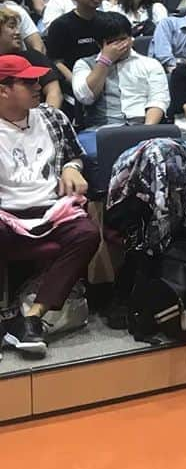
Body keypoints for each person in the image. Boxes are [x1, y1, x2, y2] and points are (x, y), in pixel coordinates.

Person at [0, 55, 100, 357]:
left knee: (86, 232)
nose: (39, 87)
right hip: (6, 213)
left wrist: (72, 166)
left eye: (38, 80)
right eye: (28, 82)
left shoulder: (52, 117)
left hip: (50, 209)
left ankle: (32, 317)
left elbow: (74, 153)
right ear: (3, 89)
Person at [71, 13, 169, 167]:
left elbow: (158, 101)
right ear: (99, 44)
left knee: (158, 154)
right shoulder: (84, 64)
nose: (119, 46)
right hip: (101, 132)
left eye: (123, 39)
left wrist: (146, 134)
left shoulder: (150, 64)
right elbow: (85, 97)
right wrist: (105, 60)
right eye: (112, 42)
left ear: (131, 38)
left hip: (142, 128)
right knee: (86, 152)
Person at [0, 7, 61, 108]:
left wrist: (46, 118)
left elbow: (54, 92)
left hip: (38, 115)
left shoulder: (33, 57)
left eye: (17, 27)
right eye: (12, 27)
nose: (18, 33)